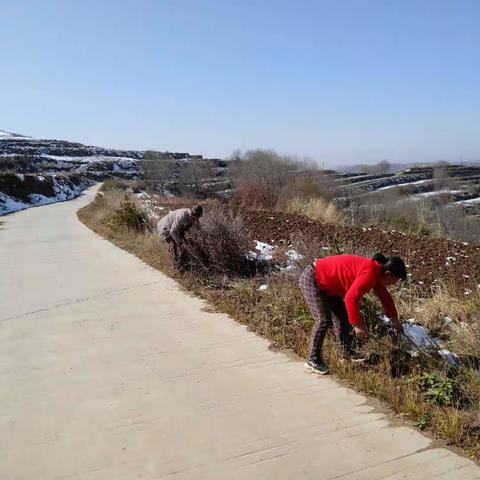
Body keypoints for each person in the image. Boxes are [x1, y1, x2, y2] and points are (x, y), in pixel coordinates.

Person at [298, 253, 407, 375]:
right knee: (323, 320)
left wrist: (395, 320)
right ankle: (312, 359)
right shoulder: (371, 272)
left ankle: (346, 353)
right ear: (388, 274)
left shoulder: (377, 274)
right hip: (313, 279)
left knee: (342, 317)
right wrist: (358, 325)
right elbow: (350, 298)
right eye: (396, 280)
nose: (395, 283)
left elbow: (385, 298)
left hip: (329, 285)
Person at [157, 205, 203, 270]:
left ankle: (182, 264)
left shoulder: (195, 218)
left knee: (186, 244)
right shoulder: (182, 216)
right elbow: (173, 231)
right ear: (192, 213)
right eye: (196, 215)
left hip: (176, 229)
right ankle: (176, 268)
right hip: (165, 228)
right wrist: (180, 244)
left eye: (199, 216)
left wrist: (203, 238)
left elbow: (199, 230)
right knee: (174, 245)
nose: (197, 218)